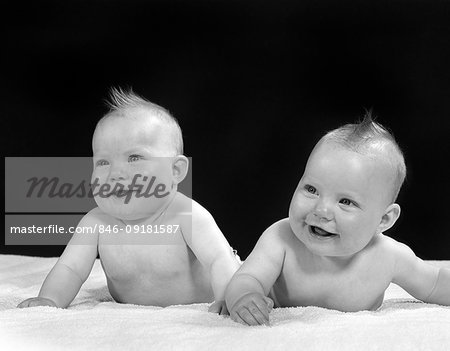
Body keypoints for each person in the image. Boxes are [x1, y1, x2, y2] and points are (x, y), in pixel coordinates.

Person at [18, 88, 240, 314]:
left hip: (204, 297)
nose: (116, 173)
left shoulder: (186, 215)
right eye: (103, 162)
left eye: (134, 158)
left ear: (176, 170)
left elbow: (219, 260)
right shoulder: (96, 222)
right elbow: (70, 268)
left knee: (243, 274)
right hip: (134, 314)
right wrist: (49, 300)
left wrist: (227, 297)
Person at [225, 113, 450, 325]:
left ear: (384, 219)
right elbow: (247, 277)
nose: (321, 210)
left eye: (345, 202)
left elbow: (435, 282)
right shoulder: (281, 238)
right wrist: (244, 297)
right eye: (311, 189)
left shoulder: (389, 256)